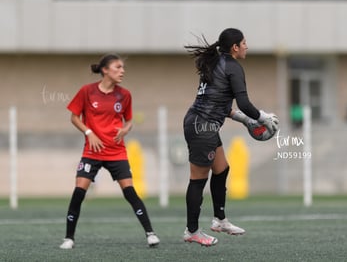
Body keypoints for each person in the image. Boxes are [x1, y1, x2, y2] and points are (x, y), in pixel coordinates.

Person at [182, 28, 278, 246]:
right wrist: (262, 117)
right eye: (244, 43)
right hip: (202, 126)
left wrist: (245, 120)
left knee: (222, 168)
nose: (246, 46)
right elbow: (243, 103)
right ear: (235, 47)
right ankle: (192, 231)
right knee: (197, 180)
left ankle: (220, 220)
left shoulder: (216, 63)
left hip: (201, 123)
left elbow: (217, 102)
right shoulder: (232, 66)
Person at [59, 54, 160, 249]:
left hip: (116, 152)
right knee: (79, 192)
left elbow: (129, 120)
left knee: (130, 192)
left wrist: (126, 129)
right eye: (118, 67)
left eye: (123, 68)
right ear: (105, 70)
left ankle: (150, 233)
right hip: (92, 151)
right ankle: (69, 238)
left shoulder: (125, 95)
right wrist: (89, 133)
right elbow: (74, 117)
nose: (122, 71)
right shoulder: (86, 91)